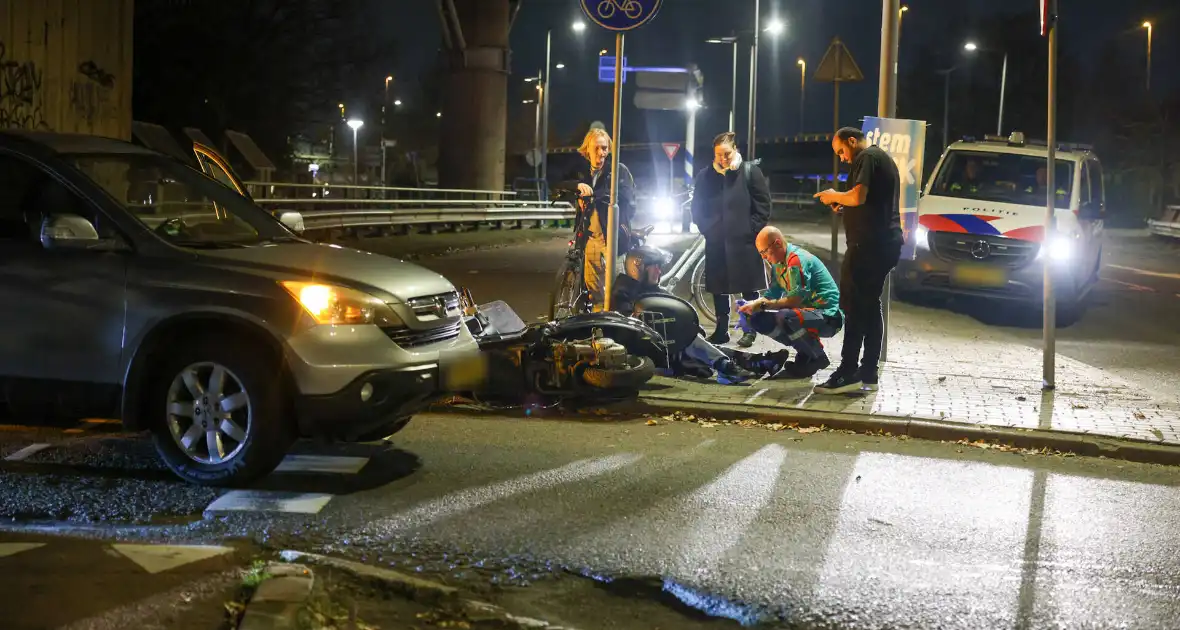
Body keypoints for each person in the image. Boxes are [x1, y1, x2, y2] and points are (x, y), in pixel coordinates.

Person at [812, 127, 902, 394]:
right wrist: (845, 207)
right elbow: (866, 202)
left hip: (869, 247)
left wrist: (833, 195)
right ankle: (868, 372)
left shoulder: (867, 157)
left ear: (852, 141)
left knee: (853, 307)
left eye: (841, 151)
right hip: (882, 244)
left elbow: (858, 195)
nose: (842, 158)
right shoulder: (880, 159)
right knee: (870, 307)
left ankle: (847, 371)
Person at [612, 245, 758, 385]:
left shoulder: (657, 290)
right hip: (652, 355)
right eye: (655, 266)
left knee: (700, 344)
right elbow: (629, 326)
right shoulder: (623, 293)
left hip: (675, 348)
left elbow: (682, 316)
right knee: (696, 345)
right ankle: (725, 366)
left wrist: (690, 328)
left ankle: (757, 361)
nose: (659, 271)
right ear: (639, 267)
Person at [690, 132, 771, 347]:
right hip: (716, 241)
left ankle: (749, 330)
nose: (723, 159)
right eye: (719, 155)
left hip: (744, 242)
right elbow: (697, 208)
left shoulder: (749, 172)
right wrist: (708, 229)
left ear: (735, 149)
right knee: (718, 287)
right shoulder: (706, 175)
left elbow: (763, 205)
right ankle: (721, 330)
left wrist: (751, 229)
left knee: (748, 288)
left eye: (726, 154)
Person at [736, 226, 843, 379]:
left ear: (778, 244)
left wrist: (764, 305)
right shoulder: (778, 264)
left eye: (765, 252)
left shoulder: (796, 260)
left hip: (828, 316)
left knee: (786, 317)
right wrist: (752, 305)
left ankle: (817, 356)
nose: (764, 257)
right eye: (761, 253)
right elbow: (771, 294)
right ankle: (805, 353)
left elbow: (794, 300)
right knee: (758, 319)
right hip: (806, 313)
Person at [567, 128, 636, 310]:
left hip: (612, 239)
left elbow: (629, 200)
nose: (601, 152)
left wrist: (596, 197)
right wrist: (577, 186)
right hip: (590, 239)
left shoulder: (618, 170)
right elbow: (559, 184)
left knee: (617, 292)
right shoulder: (582, 172)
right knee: (595, 292)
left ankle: (619, 331)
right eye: (596, 148)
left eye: (604, 148)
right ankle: (601, 332)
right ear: (587, 149)